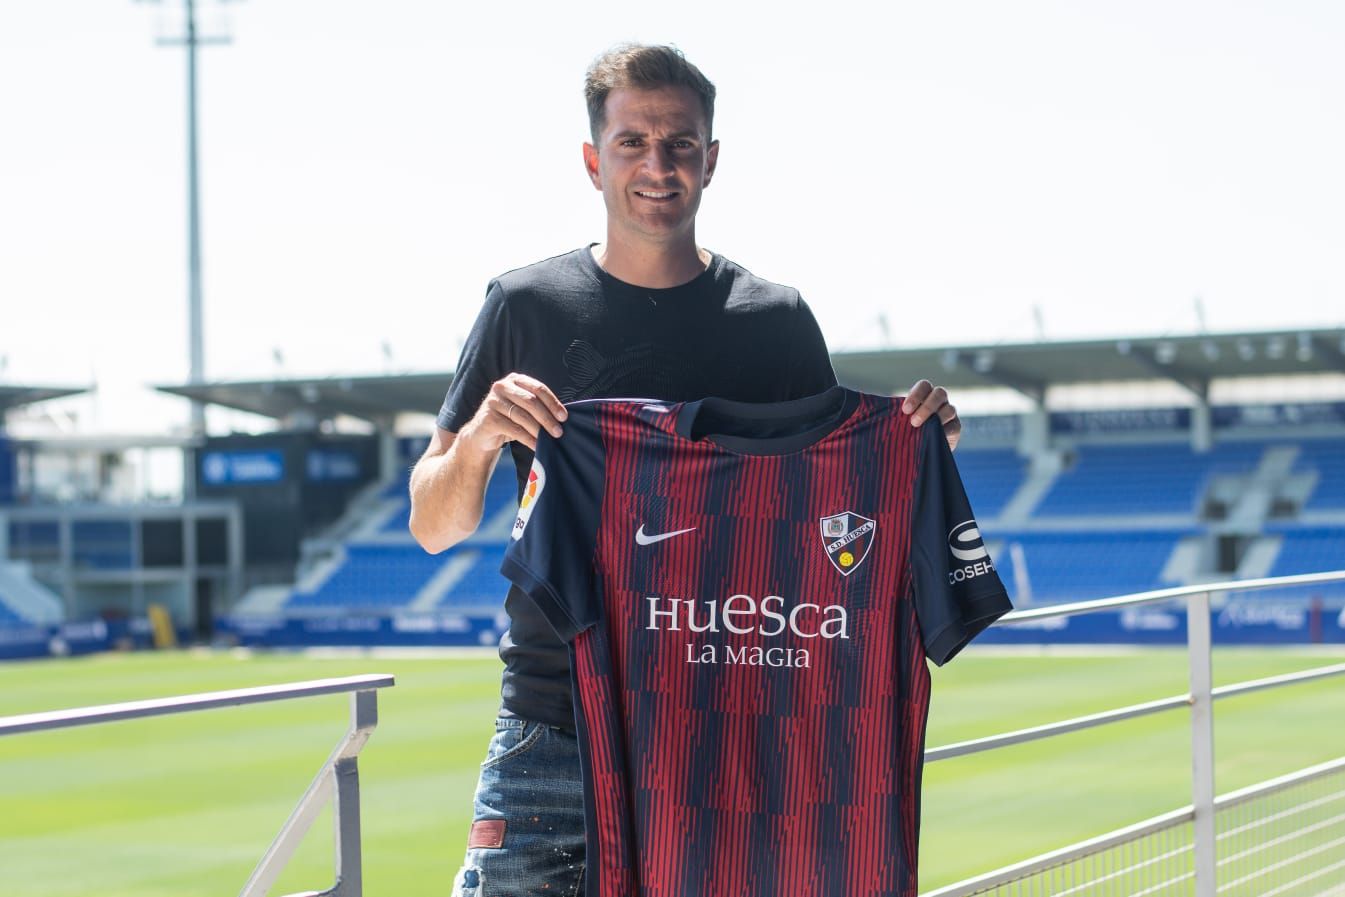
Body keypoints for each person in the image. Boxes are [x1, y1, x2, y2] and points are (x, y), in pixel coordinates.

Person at [409, 43, 962, 897]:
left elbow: (827, 505)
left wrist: (913, 452)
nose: (657, 166)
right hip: (553, 727)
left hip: (726, 728)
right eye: (632, 143)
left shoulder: (773, 321)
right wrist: (481, 433)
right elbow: (432, 526)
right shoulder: (523, 306)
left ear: (711, 159)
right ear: (594, 161)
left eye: (679, 143)